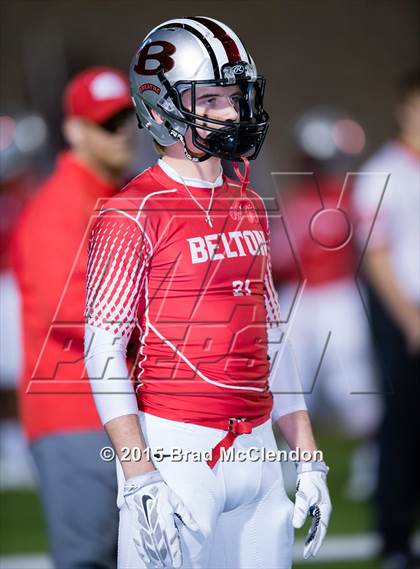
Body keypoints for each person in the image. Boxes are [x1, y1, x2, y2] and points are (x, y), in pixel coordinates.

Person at [84, 17, 332, 569]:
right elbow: (102, 351)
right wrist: (139, 471)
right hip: (178, 448)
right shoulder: (132, 212)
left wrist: (308, 456)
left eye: (236, 96)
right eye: (212, 98)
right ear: (160, 105)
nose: (232, 113)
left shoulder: (245, 199)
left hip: (259, 447)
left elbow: (271, 335)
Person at [12, 66, 137, 569]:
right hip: (74, 413)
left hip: (125, 409)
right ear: (75, 131)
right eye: (108, 122)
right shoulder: (56, 207)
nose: (124, 130)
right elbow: (64, 309)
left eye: (129, 116)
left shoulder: (128, 197)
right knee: (91, 560)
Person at [353, 69, 420, 569]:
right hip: (402, 314)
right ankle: (394, 539)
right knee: (401, 427)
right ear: (404, 106)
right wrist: (410, 319)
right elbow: (376, 256)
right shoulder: (382, 173)